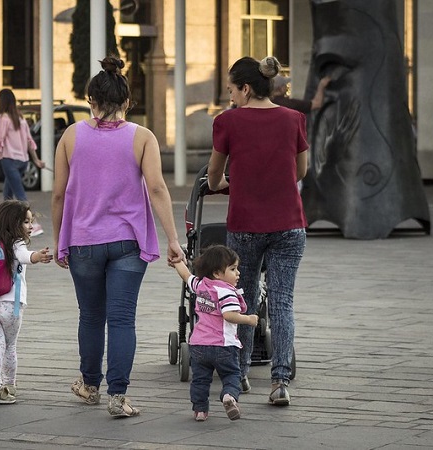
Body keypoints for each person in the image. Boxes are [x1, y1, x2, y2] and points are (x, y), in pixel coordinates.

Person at [51, 56, 185, 418]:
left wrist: (59, 238)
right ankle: (118, 396)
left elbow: (59, 194)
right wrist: (173, 239)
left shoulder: (70, 136)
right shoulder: (143, 137)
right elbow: (157, 188)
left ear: (89, 100)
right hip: (128, 242)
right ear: (128, 102)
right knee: (122, 319)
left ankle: (90, 385)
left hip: (83, 242)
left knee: (90, 316)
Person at [207, 56, 308, 407]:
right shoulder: (294, 118)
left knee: (243, 297)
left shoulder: (228, 122)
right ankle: (280, 381)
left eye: (233, 89)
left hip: (246, 223)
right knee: (282, 301)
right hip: (289, 223)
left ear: (246, 88)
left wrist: (228, 184)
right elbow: (300, 171)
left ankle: (242, 372)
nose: (231, 96)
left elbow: (214, 176)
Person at [171, 245, 258, 422]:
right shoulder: (227, 292)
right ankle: (229, 396)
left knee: (200, 380)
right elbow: (229, 315)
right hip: (223, 346)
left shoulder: (201, 285)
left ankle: (200, 411)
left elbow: (186, 276)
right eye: (233, 269)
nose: (238, 273)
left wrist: (178, 261)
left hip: (199, 345)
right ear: (218, 273)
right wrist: (248, 319)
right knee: (232, 375)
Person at [0, 200, 53, 404]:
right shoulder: (16, 243)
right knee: (9, 347)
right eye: (26, 222)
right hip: (11, 306)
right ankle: (9, 385)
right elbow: (25, 256)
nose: (30, 226)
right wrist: (38, 256)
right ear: (14, 223)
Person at [0, 88, 46, 236]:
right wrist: (36, 160)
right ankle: (0, 227)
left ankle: (34, 225)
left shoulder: (2, 118)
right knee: (7, 195)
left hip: (9, 161)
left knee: (19, 195)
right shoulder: (21, 118)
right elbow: (29, 141)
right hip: (23, 161)